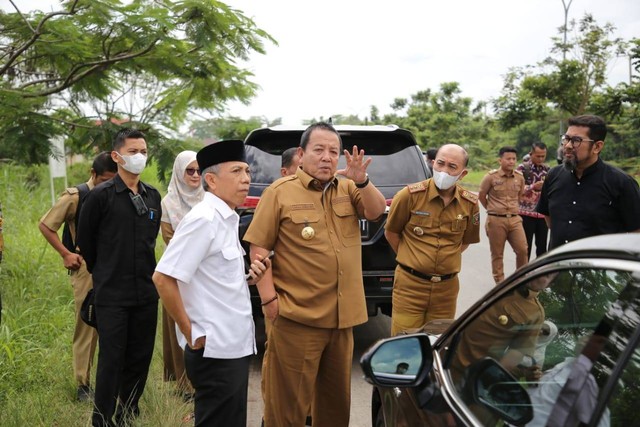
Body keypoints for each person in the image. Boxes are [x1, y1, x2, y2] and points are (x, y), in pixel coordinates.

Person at [243, 122, 386, 427]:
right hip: (298, 319)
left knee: (334, 409)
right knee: (288, 409)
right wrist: (269, 301)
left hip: (341, 321)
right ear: (302, 153)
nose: (326, 157)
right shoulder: (279, 192)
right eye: (319, 150)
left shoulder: (349, 188)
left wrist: (363, 181)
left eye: (334, 152)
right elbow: (259, 248)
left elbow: (374, 212)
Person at [153, 140, 270, 427]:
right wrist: (191, 332)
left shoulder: (226, 218)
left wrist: (248, 280)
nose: (246, 179)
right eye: (237, 171)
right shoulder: (204, 219)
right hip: (214, 350)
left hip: (233, 345)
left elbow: (212, 278)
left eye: (246, 171)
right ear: (212, 180)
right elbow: (163, 277)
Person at [76, 128, 162, 427]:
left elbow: (151, 240)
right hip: (112, 294)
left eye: (143, 151)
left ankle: (127, 415)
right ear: (117, 156)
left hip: (146, 294)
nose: (139, 157)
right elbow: (86, 243)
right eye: (133, 151)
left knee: (140, 360)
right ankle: (102, 419)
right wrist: (105, 272)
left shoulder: (152, 196)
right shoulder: (101, 196)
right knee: (111, 361)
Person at [38, 152, 117, 402]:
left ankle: (112, 380)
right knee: (87, 324)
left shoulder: (119, 192)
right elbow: (46, 224)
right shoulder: (77, 195)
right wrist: (65, 254)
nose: (108, 184)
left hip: (113, 265)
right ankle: (83, 384)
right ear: (93, 174)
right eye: (105, 179)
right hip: (86, 267)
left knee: (114, 324)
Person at [385, 144, 480, 336]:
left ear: (462, 174)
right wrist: (413, 258)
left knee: (437, 343)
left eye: (452, 167)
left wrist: (443, 260)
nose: (444, 171)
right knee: (404, 345)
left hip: (446, 290)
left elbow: (465, 241)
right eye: (440, 163)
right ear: (432, 163)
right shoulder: (409, 196)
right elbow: (392, 233)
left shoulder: (469, 203)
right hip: (410, 286)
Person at [537, 115, 640, 250]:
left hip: (600, 269)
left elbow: (636, 233)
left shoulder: (621, 183)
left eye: (576, 140)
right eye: (566, 139)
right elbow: (550, 220)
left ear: (597, 146)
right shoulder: (553, 176)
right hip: (559, 267)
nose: (567, 146)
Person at [159, 150, 204, 401]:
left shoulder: (208, 198)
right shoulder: (168, 203)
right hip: (176, 276)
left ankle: (201, 381)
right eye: (190, 170)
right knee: (179, 327)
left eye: (199, 170)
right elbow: (170, 240)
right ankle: (184, 384)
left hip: (205, 276)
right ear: (179, 171)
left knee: (201, 326)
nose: (196, 175)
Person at [479, 146, 528, 284]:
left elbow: (519, 196)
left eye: (513, 159)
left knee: (522, 250)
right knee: (497, 254)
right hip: (496, 220)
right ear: (500, 160)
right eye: (508, 159)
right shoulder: (490, 177)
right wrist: (492, 209)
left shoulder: (519, 177)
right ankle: (500, 283)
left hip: (514, 219)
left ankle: (520, 280)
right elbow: (482, 195)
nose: (511, 161)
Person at [516, 142, 550, 260]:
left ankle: (542, 274)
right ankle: (524, 273)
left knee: (542, 248)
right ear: (531, 154)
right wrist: (532, 187)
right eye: (538, 156)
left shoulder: (548, 170)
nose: (540, 159)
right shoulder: (522, 169)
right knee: (526, 247)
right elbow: (515, 189)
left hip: (542, 215)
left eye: (543, 156)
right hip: (525, 215)